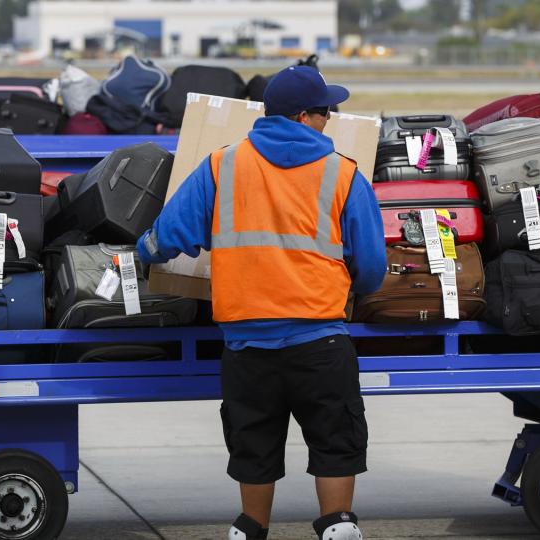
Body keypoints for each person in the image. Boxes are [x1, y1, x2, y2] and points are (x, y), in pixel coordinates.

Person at [136, 65, 386, 540]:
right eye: (326, 111)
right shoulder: (343, 174)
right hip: (321, 342)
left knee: (254, 448)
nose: (331, 119)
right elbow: (372, 267)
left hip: (247, 347)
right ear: (304, 116)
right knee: (335, 442)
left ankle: (250, 529)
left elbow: (166, 237)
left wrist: (137, 252)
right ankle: (337, 528)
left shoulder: (222, 165)